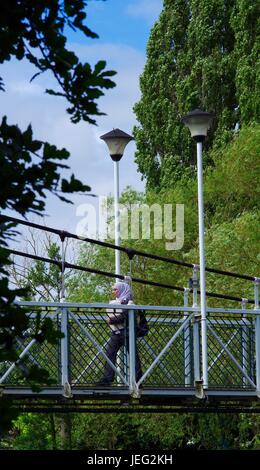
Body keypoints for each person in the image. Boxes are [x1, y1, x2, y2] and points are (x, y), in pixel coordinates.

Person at [96, 281, 143, 386]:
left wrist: (111, 320)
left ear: (122, 290)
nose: (113, 292)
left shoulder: (129, 302)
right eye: (113, 289)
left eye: (115, 289)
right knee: (109, 354)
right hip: (116, 332)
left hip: (127, 332)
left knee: (133, 356)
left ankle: (138, 381)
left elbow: (125, 316)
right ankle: (107, 379)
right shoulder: (117, 302)